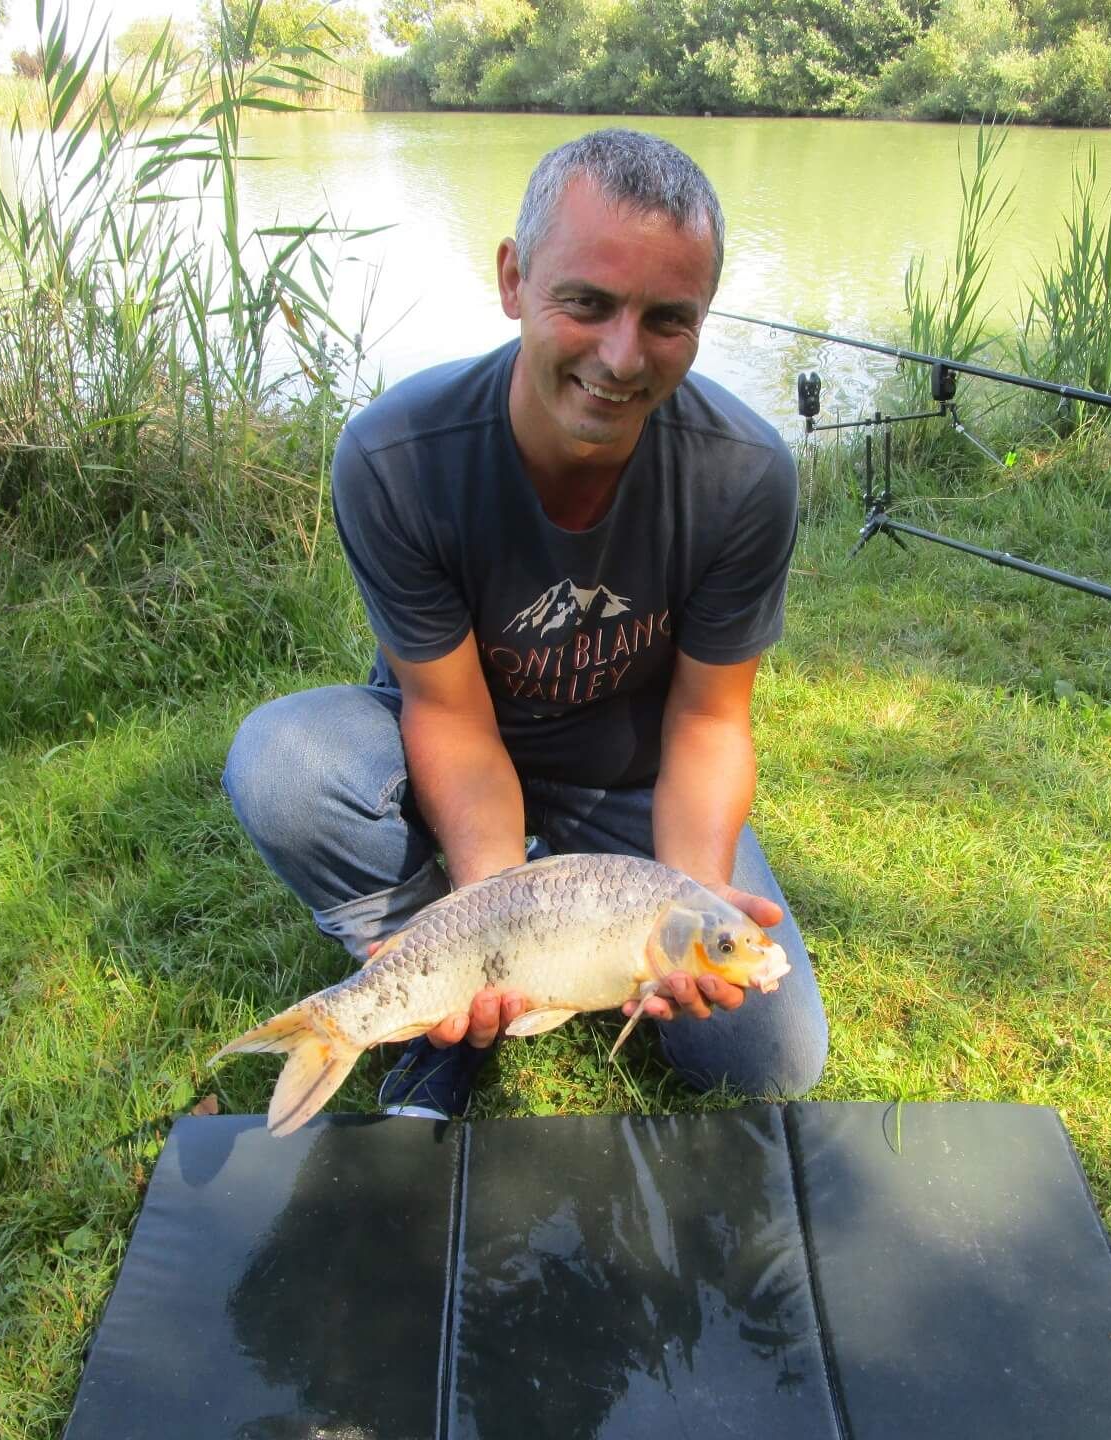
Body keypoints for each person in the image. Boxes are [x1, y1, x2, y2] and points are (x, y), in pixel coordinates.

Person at [222, 129, 827, 1119]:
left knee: (770, 1054)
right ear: (513, 277)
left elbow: (711, 725)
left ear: (704, 320)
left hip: (628, 784)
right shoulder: (396, 455)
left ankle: (572, 950)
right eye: (587, 303)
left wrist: (691, 912)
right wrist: (493, 911)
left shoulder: (744, 473)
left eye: (668, 320)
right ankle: (431, 987)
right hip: (452, 755)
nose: (622, 357)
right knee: (284, 762)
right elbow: (450, 720)